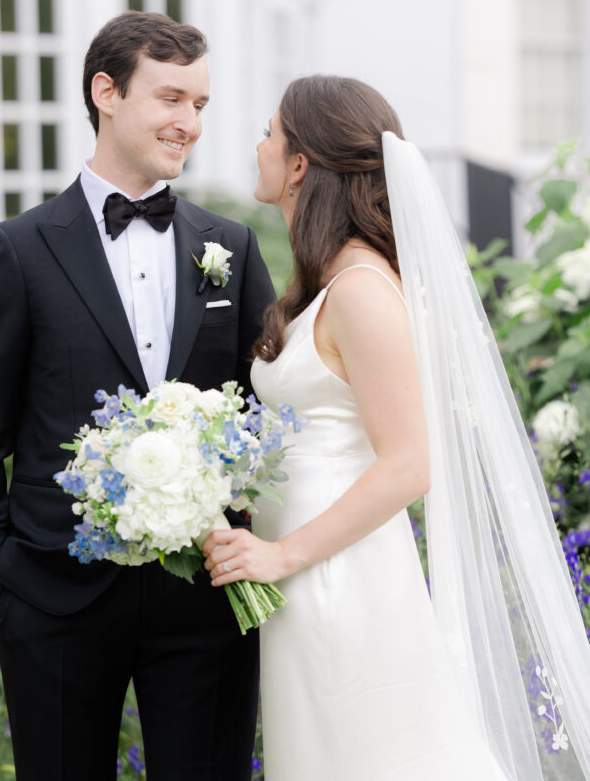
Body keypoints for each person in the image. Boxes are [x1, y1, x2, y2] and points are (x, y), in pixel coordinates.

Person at [203, 75, 590, 780]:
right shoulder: (326, 286)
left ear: (298, 165)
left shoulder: (359, 291)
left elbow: (410, 462)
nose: (255, 145)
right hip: (305, 576)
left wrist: (281, 556)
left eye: (269, 133)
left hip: (336, 579)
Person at [0, 11, 275, 781]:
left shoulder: (230, 245)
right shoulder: (18, 252)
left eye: (199, 105)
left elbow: (260, 413)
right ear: (106, 92)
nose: (188, 122)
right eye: (170, 99)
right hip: (52, 601)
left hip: (203, 604)